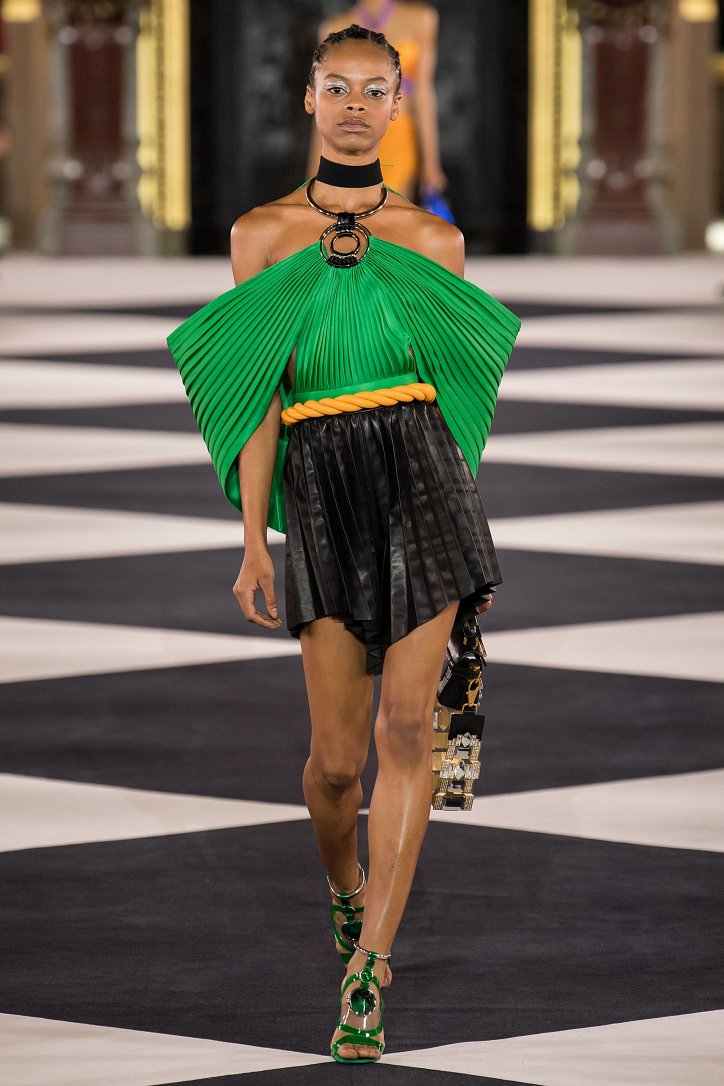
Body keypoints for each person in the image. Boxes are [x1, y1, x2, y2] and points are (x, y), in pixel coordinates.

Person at [167, 24, 520, 1064]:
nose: (356, 105)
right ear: (309, 99)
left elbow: (461, 402)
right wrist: (253, 539)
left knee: (407, 729)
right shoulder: (262, 235)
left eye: (375, 89)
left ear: (399, 104)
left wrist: (460, 521)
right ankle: (346, 886)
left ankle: (369, 969)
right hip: (320, 487)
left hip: (422, 481)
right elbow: (256, 395)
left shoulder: (435, 241)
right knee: (333, 766)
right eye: (338, 87)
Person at [307, 0, 446, 201]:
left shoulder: (422, 19)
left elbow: (423, 93)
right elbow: (322, 102)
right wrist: (314, 172)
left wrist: (431, 164)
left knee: (392, 212)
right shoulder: (332, 27)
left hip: (399, 136)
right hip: (348, 133)